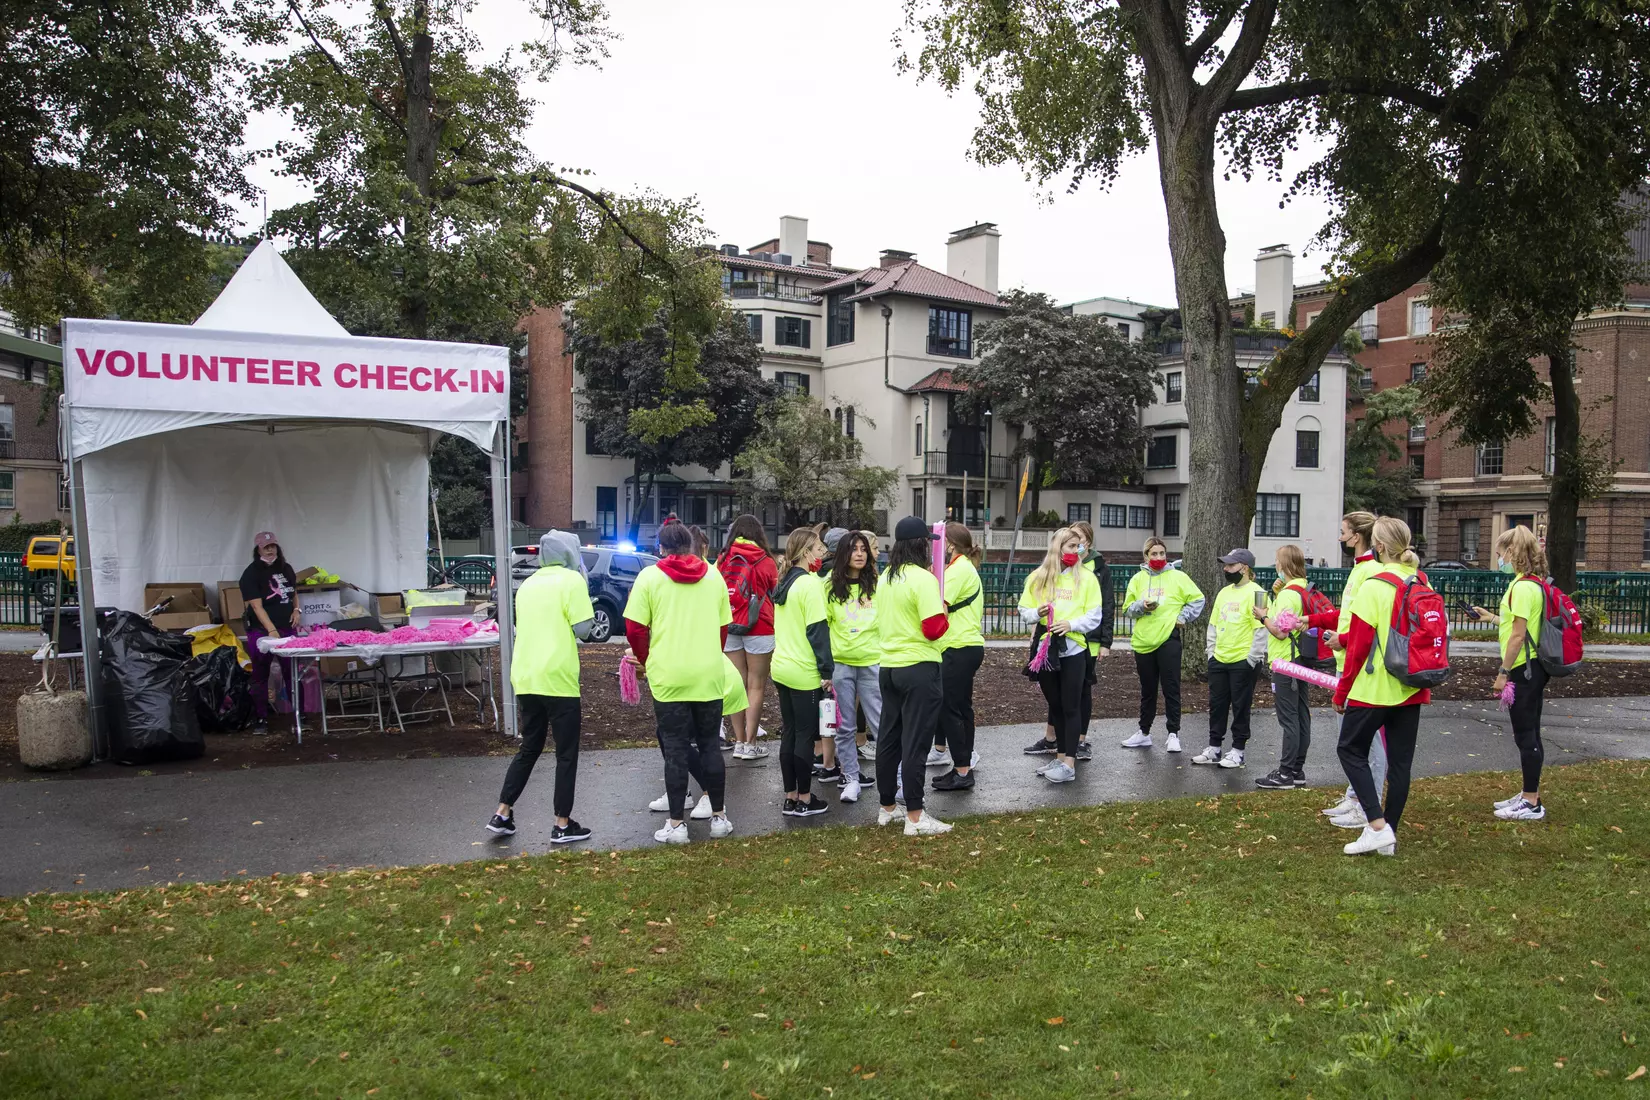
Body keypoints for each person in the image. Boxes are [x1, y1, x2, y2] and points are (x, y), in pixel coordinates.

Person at [625, 521, 735, 844]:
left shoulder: (649, 578)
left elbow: (633, 628)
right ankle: (719, 817)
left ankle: (675, 825)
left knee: (675, 749)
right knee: (710, 745)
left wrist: (648, 659)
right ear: (690, 545)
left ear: (660, 548)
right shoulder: (713, 577)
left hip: (669, 676)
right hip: (707, 673)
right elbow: (723, 628)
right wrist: (709, 655)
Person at [1331, 517, 1431, 857]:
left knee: (1349, 749)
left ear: (1380, 547)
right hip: (1411, 684)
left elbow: (1358, 647)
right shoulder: (1420, 579)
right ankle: (1390, 831)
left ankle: (1376, 825)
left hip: (1374, 686)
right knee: (1400, 764)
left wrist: (1342, 691)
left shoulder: (1374, 584)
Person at [486, 531, 594, 844]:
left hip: (526, 675)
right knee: (566, 753)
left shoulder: (529, 584)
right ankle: (562, 823)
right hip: (558, 678)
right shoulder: (572, 581)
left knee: (530, 746)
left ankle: (503, 811)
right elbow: (585, 631)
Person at [875, 516, 954, 835]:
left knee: (889, 738)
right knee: (916, 742)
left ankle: (887, 808)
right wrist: (946, 614)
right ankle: (916, 817)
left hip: (889, 667)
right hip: (919, 667)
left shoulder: (886, 578)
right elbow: (933, 629)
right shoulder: (923, 579)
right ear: (922, 545)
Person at [1472, 525, 1550, 822]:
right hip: (1534, 667)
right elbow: (1519, 627)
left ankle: (1531, 802)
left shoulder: (1521, 588)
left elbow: (1518, 637)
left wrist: (1503, 673)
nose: (1498, 559)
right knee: (1531, 732)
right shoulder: (1531, 583)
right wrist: (1492, 617)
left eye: (1500, 554)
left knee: (1525, 735)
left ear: (1512, 553)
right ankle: (1530, 793)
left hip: (1523, 669)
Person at [1018, 527, 1106, 783]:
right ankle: (1058, 758)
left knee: (1071, 705)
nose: (1076, 552)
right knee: (1054, 704)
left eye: (1078, 547)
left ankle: (1069, 762)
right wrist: (1038, 613)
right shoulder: (1038, 577)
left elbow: (1094, 615)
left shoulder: (1088, 578)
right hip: (1046, 651)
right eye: (1070, 547)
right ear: (1057, 548)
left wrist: (1071, 624)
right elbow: (1024, 610)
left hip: (1074, 650)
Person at [1319, 512, 1385, 825]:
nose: (1340, 538)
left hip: (1362, 665)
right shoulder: (1359, 569)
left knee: (1364, 741)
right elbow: (1349, 614)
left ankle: (1369, 803)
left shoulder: (1370, 570)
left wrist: (1343, 640)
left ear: (1357, 536)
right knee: (1352, 739)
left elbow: (1367, 624)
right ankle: (1356, 794)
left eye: (1343, 532)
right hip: (1347, 660)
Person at [1116, 537, 1205, 753]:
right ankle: (1144, 732)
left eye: (1161, 553)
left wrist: (1182, 617)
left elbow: (1198, 599)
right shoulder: (1137, 579)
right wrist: (1141, 606)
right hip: (1143, 641)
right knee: (1148, 690)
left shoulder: (1178, 577)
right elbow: (1126, 609)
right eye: (1153, 554)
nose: (1158, 558)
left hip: (1168, 639)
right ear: (1145, 556)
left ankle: (1173, 734)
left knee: (1171, 687)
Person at [770, 527, 833, 818]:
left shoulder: (784, 581)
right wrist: (827, 670)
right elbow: (817, 631)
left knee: (790, 733)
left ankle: (790, 796)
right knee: (806, 736)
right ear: (806, 553)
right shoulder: (810, 584)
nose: (821, 553)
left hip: (781, 668)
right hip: (803, 671)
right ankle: (806, 799)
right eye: (818, 548)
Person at [1192, 548, 1267, 769]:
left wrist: (1252, 659)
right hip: (1220, 660)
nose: (1226, 569)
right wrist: (1211, 653)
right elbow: (1214, 624)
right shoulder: (1224, 592)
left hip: (1242, 660)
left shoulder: (1257, 592)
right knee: (1217, 705)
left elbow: (1260, 629)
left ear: (1244, 568)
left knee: (1241, 706)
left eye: (1231, 565)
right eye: (1225, 565)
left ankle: (1238, 750)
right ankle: (1214, 747)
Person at [825, 530, 881, 803]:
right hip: (841, 665)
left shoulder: (878, 584)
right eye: (854, 549)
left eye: (863, 549)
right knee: (845, 726)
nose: (859, 553)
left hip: (873, 663)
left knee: (881, 723)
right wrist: (824, 669)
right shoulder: (828, 587)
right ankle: (851, 778)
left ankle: (894, 780)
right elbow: (822, 628)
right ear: (844, 553)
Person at [717, 515, 778, 760]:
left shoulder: (723, 559)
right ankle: (751, 745)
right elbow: (775, 592)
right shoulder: (765, 560)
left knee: (736, 685)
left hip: (730, 624)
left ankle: (739, 741)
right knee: (756, 685)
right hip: (759, 626)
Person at [1254, 543, 1312, 789]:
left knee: (1289, 718)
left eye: (1277, 561)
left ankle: (1286, 772)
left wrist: (1263, 616)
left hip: (1286, 662)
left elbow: (1279, 631)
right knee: (1301, 714)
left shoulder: (1289, 595)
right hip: (1300, 658)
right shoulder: (1301, 590)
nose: (1275, 565)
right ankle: (1297, 770)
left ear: (1285, 565)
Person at [933, 522, 984, 792]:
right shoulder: (965, 567)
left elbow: (938, 603)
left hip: (957, 646)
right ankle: (963, 766)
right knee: (962, 708)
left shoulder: (958, 569)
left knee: (950, 709)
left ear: (949, 545)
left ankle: (963, 770)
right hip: (966, 647)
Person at [239, 531, 299, 734]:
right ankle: (261, 718)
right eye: (266, 547)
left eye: (273, 545)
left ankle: (299, 714)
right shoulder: (251, 573)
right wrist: (271, 630)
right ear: (258, 549)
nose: (270, 549)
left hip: (286, 626)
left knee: (291, 671)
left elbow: (294, 591)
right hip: (261, 630)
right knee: (260, 673)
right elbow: (256, 606)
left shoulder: (286, 568)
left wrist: (296, 609)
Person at [1072, 520, 1114, 761]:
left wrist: (1106, 643)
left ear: (1087, 540)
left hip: (1090, 639)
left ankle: (1081, 739)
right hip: (1067, 635)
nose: (1075, 542)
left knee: (1083, 688)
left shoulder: (1099, 568)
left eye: (1078, 537)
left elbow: (1108, 605)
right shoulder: (1065, 564)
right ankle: (1058, 736)